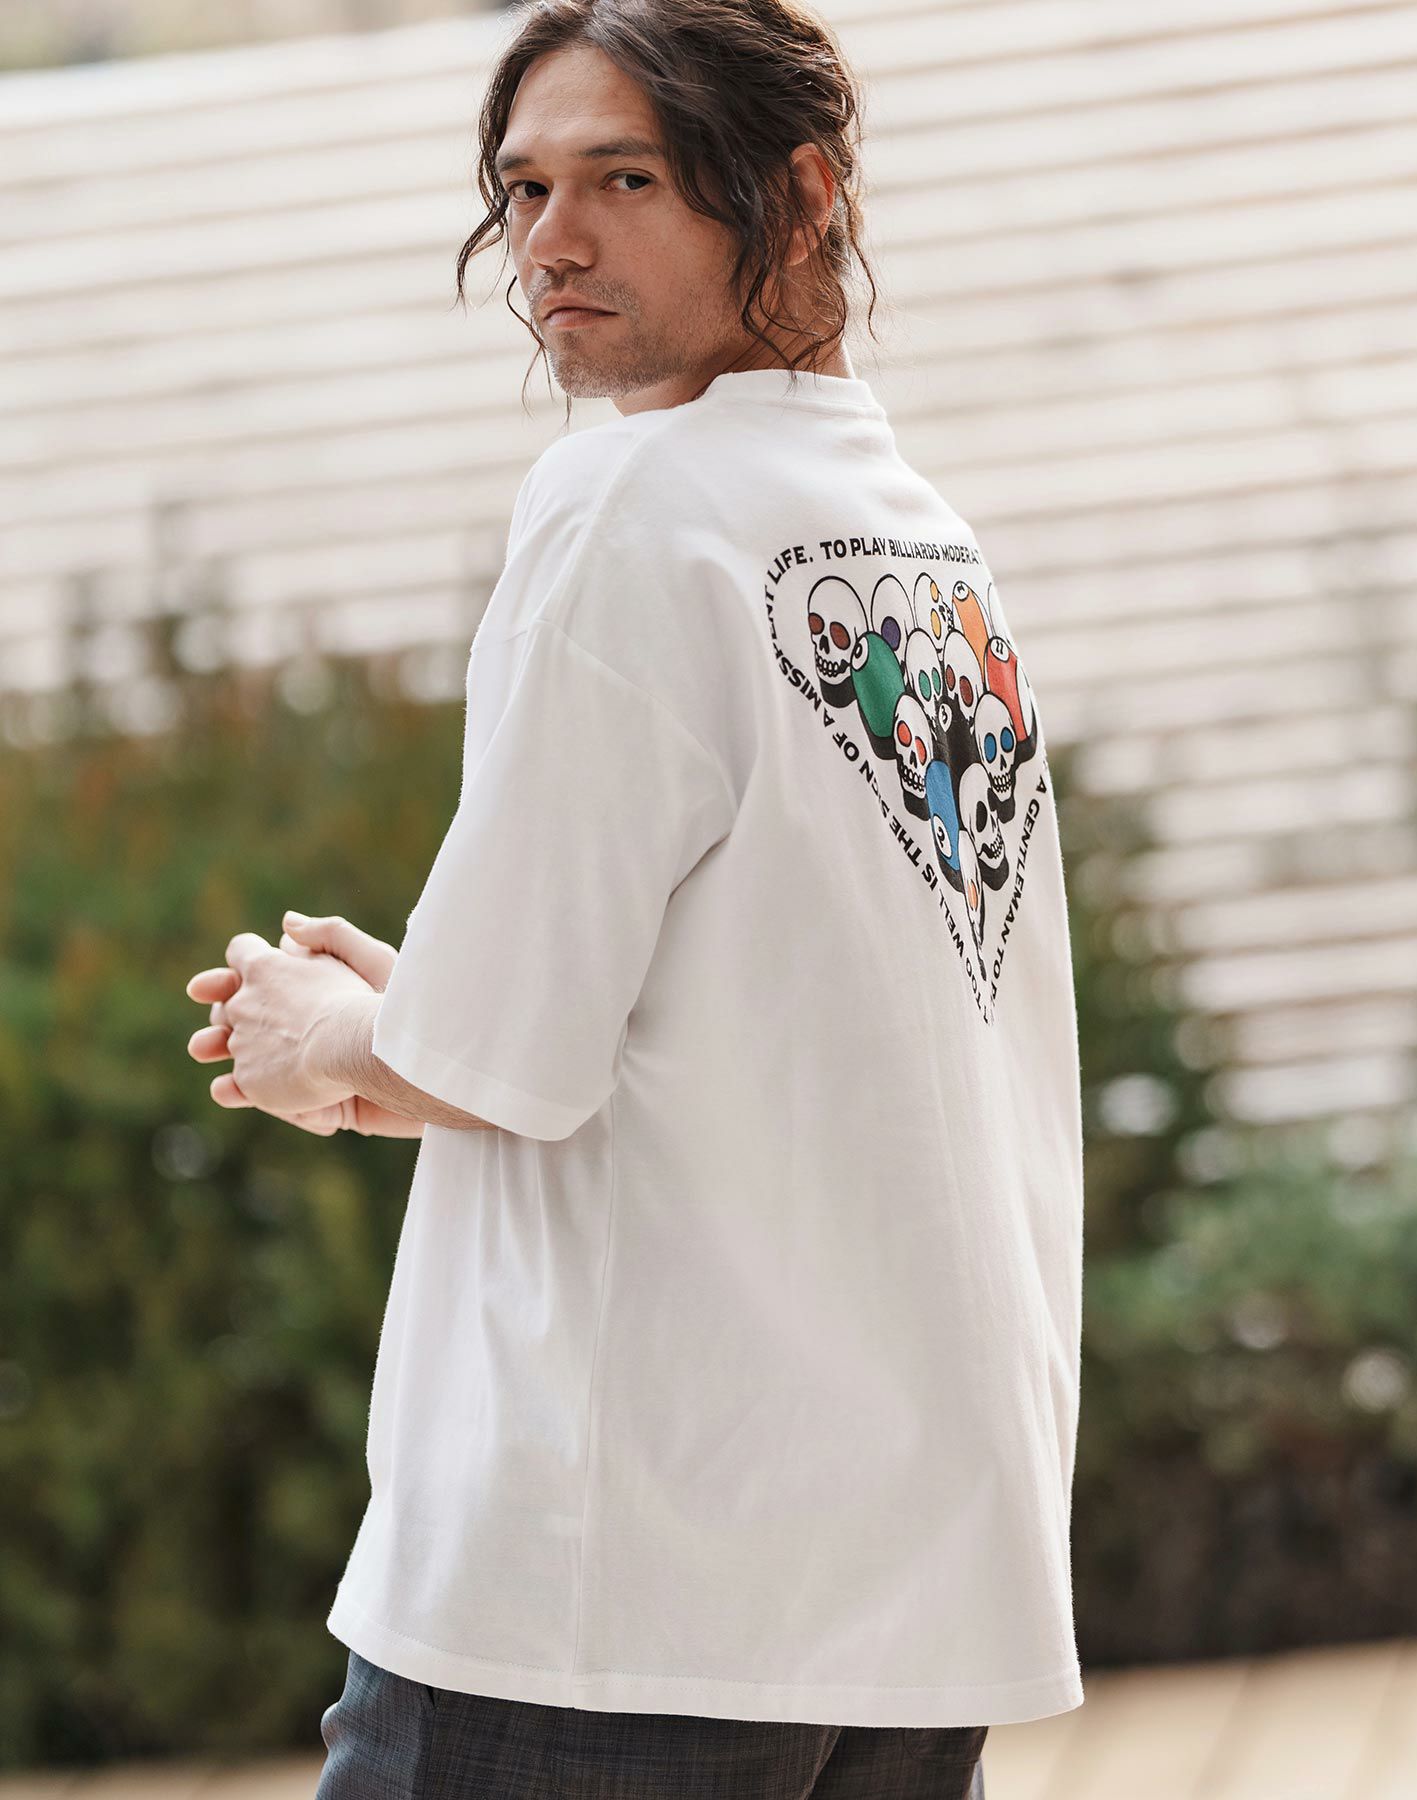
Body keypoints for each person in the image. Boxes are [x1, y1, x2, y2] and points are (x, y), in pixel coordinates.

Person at [184, 0, 1085, 1791]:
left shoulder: (631, 506)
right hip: (909, 1582)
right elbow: (714, 1021)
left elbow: (504, 1060)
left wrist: (325, 1034)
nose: (551, 241)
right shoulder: (914, 537)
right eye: (524, 188)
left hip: (617, 1585)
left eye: (627, 179)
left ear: (800, 196)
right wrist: (427, 1019)